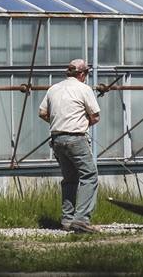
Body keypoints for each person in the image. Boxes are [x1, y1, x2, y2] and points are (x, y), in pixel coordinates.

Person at [38, 58, 100, 233]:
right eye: (86, 73)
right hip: (76, 139)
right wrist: (77, 123)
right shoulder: (84, 89)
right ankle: (81, 220)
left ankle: (67, 220)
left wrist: (61, 122)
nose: (86, 76)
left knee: (70, 179)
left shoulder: (53, 89)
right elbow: (95, 116)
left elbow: (42, 112)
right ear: (82, 74)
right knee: (89, 176)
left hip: (57, 139)